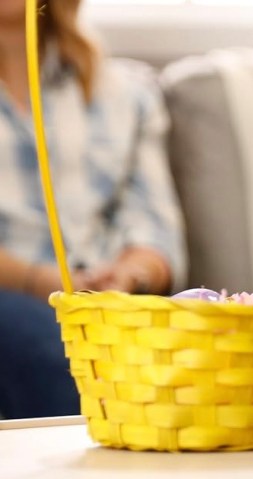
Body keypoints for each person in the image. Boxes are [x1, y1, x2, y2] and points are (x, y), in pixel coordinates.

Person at [0, 0, 186, 418]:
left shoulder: (127, 93)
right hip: (16, 300)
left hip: (111, 303)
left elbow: (155, 230)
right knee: (52, 345)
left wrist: (126, 276)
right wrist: (46, 282)